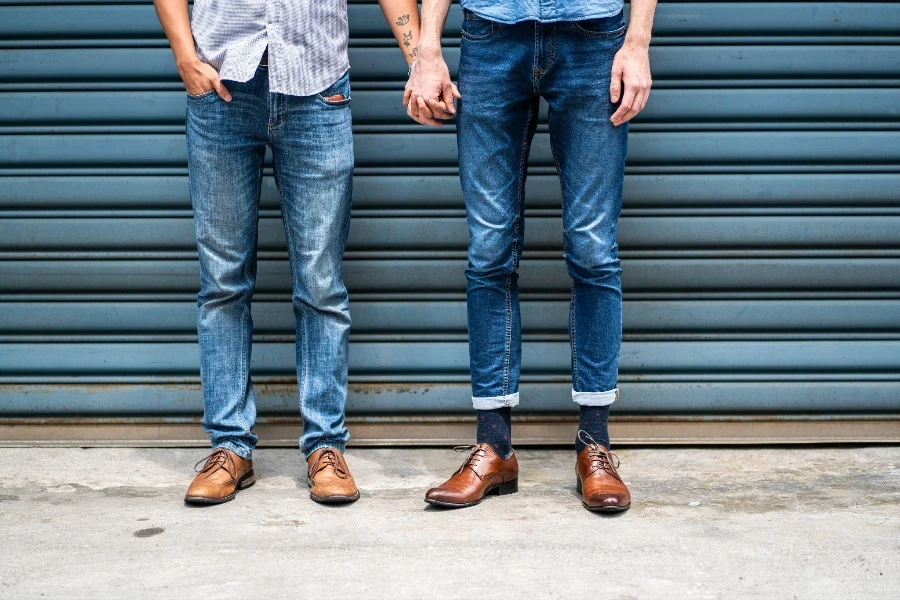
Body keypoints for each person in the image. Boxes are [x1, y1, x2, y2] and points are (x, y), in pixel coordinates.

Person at [152, 0, 415, 505]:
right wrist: (184, 54)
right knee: (223, 281)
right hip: (222, 87)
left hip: (318, 89)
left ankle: (325, 446)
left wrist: (417, 58)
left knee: (320, 282)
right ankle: (229, 444)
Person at [400, 0, 657, 511]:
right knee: (490, 247)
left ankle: (595, 444)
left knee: (592, 247)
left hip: (593, 34)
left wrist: (638, 42)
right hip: (492, 33)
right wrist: (427, 48)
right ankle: (493, 447)